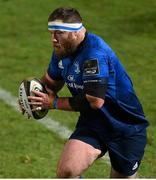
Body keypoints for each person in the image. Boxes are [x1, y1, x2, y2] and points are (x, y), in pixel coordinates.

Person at [23, 7, 148, 178]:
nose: (53, 39)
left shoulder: (94, 54)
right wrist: (31, 98)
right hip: (92, 123)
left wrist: (53, 103)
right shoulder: (62, 51)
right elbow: (50, 82)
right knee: (67, 171)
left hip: (124, 127)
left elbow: (95, 101)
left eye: (59, 33)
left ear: (75, 33)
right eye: (51, 33)